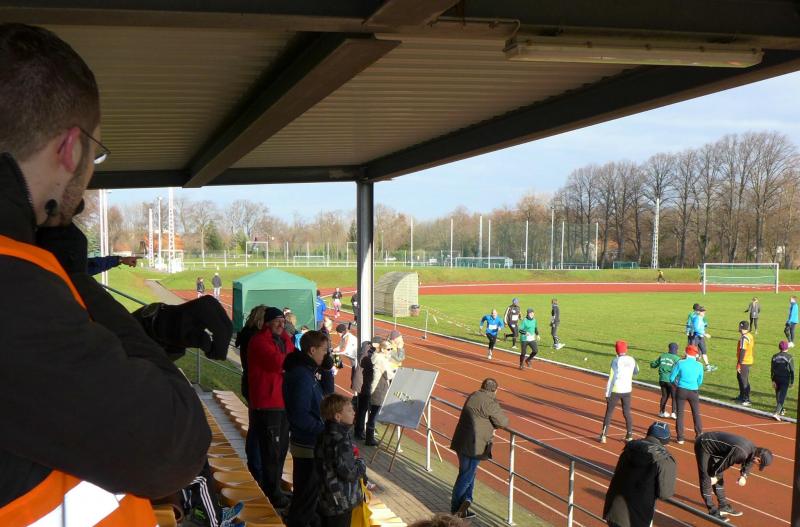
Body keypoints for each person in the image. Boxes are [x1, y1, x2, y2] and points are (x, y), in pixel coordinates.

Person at [0, 23, 226, 524]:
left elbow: (60, 374)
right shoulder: (13, 280)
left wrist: (157, 328)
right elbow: (175, 442)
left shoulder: (18, 276)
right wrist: (64, 261)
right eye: (95, 153)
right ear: (71, 148)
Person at [247, 307, 295, 508]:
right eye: (277, 321)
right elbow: (278, 363)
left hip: (282, 403)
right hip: (267, 404)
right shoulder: (259, 341)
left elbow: (291, 358)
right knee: (271, 452)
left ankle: (275, 488)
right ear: (267, 323)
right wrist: (287, 362)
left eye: (283, 321)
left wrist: (287, 356)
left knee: (281, 450)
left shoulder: (283, 339)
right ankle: (271, 493)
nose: (281, 324)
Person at [283, 330, 328, 527]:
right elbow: (299, 415)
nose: (326, 354)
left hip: (308, 443)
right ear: (312, 350)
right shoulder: (302, 376)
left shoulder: (306, 371)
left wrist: (327, 371)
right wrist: (323, 429)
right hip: (307, 444)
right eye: (324, 350)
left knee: (306, 494)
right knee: (306, 496)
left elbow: (327, 395)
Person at [450, 379, 509, 519]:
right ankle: (456, 510)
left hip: (462, 441)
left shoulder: (473, 395)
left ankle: (466, 502)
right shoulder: (489, 402)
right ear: (495, 390)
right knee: (466, 477)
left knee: (468, 474)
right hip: (474, 445)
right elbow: (503, 422)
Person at [603, 422, 676, 527]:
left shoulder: (629, 448)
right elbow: (665, 494)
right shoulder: (664, 459)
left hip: (613, 510)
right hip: (636, 517)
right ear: (665, 441)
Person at [315, 394, 367, 527]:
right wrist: (361, 463)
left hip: (326, 497)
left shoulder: (324, 433)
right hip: (340, 502)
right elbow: (349, 472)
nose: (354, 412)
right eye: (349, 410)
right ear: (338, 417)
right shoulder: (341, 439)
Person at [694, 431, 773, 519]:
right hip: (704, 445)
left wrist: (744, 475)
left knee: (718, 476)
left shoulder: (753, 450)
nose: (757, 465)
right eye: (759, 464)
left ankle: (723, 506)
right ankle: (712, 511)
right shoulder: (741, 452)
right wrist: (713, 475)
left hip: (717, 450)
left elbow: (750, 461)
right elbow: (725, 463)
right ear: (758, 459)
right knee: (706, 478)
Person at [235, 304, 267, 482]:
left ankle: (256, 466)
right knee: (257, 428)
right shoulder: (255, 337)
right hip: (256, 384)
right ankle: (256, 468)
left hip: (249, 382)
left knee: (256, 426)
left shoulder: (246, 334)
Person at [599, 341, 639, 444]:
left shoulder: (615, 361)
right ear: (626, 349)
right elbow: (636, 371)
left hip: (615, 390)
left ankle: (603, 436)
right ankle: (629, 435)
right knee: (627, 412)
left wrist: (607, 392)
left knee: (609, 412)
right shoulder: (632, 359)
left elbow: (611, 377)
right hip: (627, 390)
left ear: (616, 350)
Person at [669, 345, 704, 444]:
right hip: (694, 391)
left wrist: (677, 385)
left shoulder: (680, 363)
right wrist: (694, 385)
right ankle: (699, 435)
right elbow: (700, 380)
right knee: (696, 413)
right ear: (696, 354)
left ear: (686, 352)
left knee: (680, 414)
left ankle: (680, 438)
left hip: (681, 390)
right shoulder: (699, 365)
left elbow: (671, 378)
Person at [365, 340, 397, 446]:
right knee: (374, 414)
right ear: (382, 349)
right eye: (388, 349)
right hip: (378, 389)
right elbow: (388, 375)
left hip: (376, 388)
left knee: (373, 413)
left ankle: (369, 437)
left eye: (391, 349)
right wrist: (396, 373)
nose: (390, 351)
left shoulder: (378, 357)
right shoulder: (381, 360)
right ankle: (369, 438)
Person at [354, 337, 381, 441]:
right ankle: (361, 432)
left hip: (363, 385)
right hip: (367, 386)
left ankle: (359, 431)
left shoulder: (365, 353)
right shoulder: (371, 357)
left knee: (362, 409)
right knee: (365, 410)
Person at [650, 343, 679, 418]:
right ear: (676, 350)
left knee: (664, 396)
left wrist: (651, 363)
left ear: (669, 348)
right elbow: (679, 370)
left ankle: (661, 412)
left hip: (662, 379)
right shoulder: (677, 358)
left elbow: (653, 365)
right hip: (671, 380)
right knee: (674, 397)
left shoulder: (662, 356)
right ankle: (674, 413)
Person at [771, 340, 795, 421]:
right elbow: (792, 370)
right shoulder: (789, 357)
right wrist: (792, 381)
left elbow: (772, 369)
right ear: (787, 348)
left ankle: (781, 410)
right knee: (782, 397)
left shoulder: (774, 356)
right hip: (785, 379)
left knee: (778, 395)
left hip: (776, 378)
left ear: (779, 347)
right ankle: (776, 413)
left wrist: (772, 380)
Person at [735, 320, 755, 406]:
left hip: (744, 361)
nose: (739, 329)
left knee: (744, 380)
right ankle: (742, 395)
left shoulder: (744, 338)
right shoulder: (749, 335)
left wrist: (739, 363)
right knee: (740, 377)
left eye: (740, 327)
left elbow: (743, 351)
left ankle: (747, 399)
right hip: (748, 360)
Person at [691, 306, 717, 372]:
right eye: (702, 311)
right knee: (695, 352)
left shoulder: (701, 318)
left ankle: (708, 366)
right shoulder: (697, 318)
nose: (704, 312)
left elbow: (701, 327)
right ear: (699, 312)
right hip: (696, 337)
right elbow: (696, 329)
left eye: (704, 311)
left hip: (701, 337)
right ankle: (694, 366)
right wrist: (705, 334)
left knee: (704, 351)